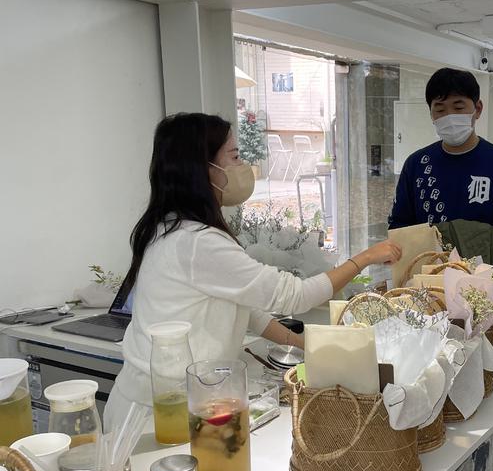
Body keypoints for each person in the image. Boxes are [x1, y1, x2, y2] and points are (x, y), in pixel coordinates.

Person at [104, 113, 402, 429]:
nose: (242, 165)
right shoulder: (197, 243)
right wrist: (366, 257)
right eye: (234, 156)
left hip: (162, 400)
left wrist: (307, 346)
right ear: (204, 168)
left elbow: (247, 309)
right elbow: (296, 296)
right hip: (160, 412)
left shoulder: (170, 228)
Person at [388, 67, 493, 299]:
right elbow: (398, 229)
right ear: (431, 113)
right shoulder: (417, 164)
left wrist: (450, 236)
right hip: (425, 295)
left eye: (458, 107)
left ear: (477, 109)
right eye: (440, 109)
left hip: (482, 298)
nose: (449, 117)